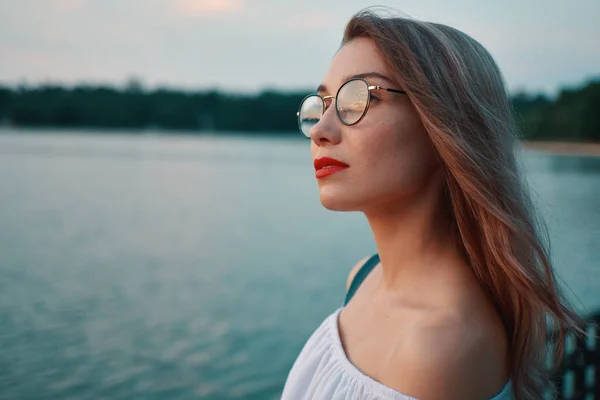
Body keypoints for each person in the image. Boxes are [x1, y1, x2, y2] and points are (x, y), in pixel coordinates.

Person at [281, 8, 582, 400]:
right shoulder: (363, 277)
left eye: (358, 99)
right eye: (322, 104)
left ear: (444, 125)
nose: (320, 131)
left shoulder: (441, 347)